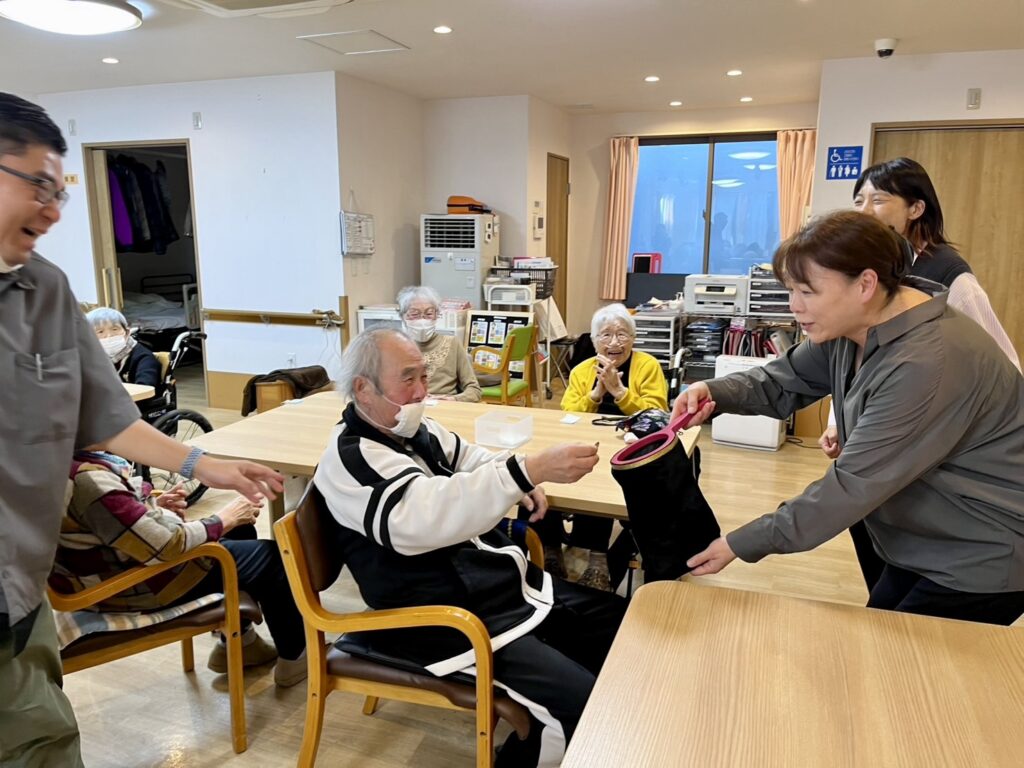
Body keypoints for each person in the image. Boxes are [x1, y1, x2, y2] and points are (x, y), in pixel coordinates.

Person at [0, 92, 284, 767]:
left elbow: (107, 417)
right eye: (38, 185)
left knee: (40, 740)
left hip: (16, 591)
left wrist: (206, 466)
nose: (53, 209)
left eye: (60, 191)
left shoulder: (43, 290)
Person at [672, 211, 1024, 627]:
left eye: (807, 291)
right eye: (790, 290)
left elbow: (848, 489)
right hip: (924, 535)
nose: (794, 306)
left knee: (898, 661)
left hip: (983, 551)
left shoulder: (927, 362)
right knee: (879, 640)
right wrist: (713, 392)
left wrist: (740, 543)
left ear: (865, 284)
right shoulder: (853, 329)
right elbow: (781, 380)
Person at [313, 328, 626, 768]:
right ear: (363, 388)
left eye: (424, 376)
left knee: (619, 626)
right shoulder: (353, 457)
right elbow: (424, 516)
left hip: (488, 588)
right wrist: (523, 472)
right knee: (580, 705)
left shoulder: (412, 428)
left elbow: (470, 457)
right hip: (437, 620)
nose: (422, 390)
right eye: (408, 379)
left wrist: (518, 478)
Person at [819, 157, 1021, 589]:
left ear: (916, 208)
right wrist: (839, 419)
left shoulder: (950, 276)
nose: (865, 210)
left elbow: (1003, 366)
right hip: (880, 459)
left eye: (878, 199)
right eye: (858, 200)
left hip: (937, 474)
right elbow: (854, 357)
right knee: (876, 550)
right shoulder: (869, 271)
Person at [54, 451, 306, 685]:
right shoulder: (89, 481)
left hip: (108, 570)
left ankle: (241, 644)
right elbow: (167, 546)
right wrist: (223, 519)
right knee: (271, 558)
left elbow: (98, 522)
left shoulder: (59, 464)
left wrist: (149, 510)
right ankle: (295, 660)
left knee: (241, 530)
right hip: (133, 587)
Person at [556, 303, 668, 590]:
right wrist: (596, 393)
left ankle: (596, 561)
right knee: (558, 477)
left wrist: (619, 392)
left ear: (633, 338)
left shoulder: (647, 366)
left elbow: (657, 414)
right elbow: (568, 412)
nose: (614, 343)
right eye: (605, 335)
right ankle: (552, 552)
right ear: (594, 341)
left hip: (633, 448)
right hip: (590, 442)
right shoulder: (582, 371)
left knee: (603, 481)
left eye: (622, 334)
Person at [396, 285, 481, 402]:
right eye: (414, 314)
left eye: (429, 314)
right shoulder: (395, 348)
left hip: (444, 407)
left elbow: (474, 390)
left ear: (437, 315)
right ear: (402, 316)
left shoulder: (453, 343)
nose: (422, 320)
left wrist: (452, 399)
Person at [86, 306, 163, 410]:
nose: (109, 335)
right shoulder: (93, 358)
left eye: (115, 329)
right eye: (100, 332)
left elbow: (145, 389)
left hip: (133, 408)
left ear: (127, 332)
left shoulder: (143, 357)